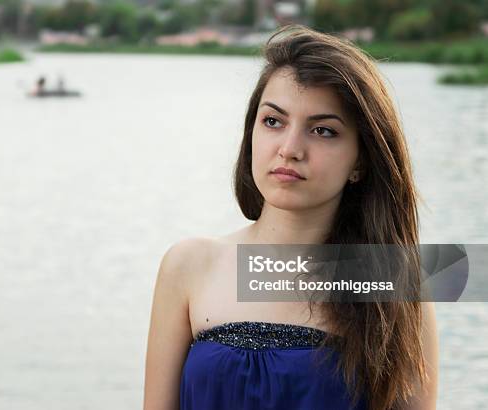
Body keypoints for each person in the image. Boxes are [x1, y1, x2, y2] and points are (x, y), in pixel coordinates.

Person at [143, 24, 438, 410]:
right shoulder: (188, 265)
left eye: (322, 130)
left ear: (361, 159)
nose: (289, 149)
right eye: (273, 121)